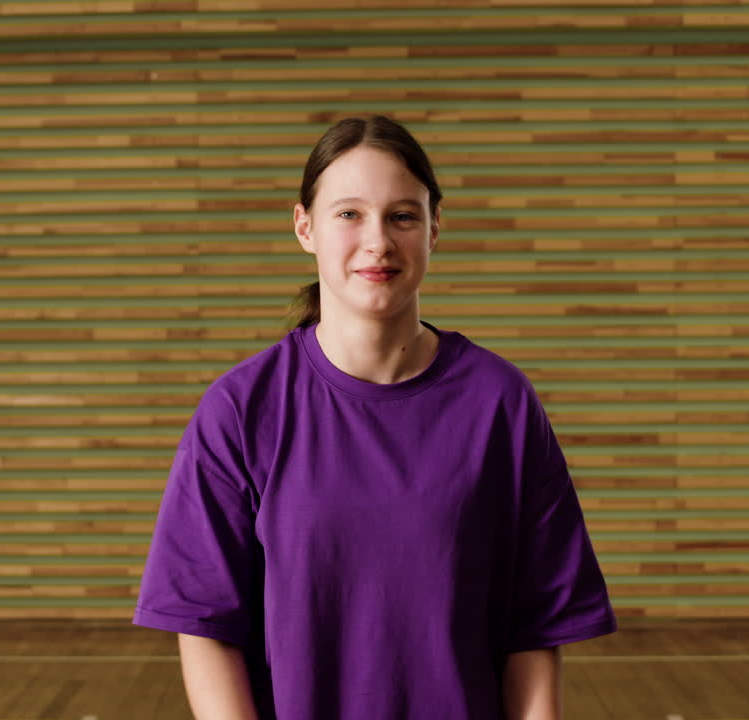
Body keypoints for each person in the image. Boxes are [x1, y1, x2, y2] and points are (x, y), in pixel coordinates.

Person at [133, 115, 616, 719]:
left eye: (403, 215)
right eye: (349, 214)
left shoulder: (501, 403)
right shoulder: (240, 410)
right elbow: (205, 626)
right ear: (304, 227)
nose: (379, 241)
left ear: (435, 227)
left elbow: (536, 627)